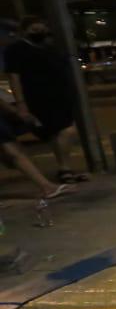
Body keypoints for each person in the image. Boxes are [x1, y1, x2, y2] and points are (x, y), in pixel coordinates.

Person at [4, 17, 85, 184]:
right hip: (38, 98)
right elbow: (14, 76)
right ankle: (64, 168)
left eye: (42, 29)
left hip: (60, 97)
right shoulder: (16, 50)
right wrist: (21, 103)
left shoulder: (49, 49)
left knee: (59, 132)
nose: (39, 33)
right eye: (34, 29)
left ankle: (65, 168)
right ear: (24, 31)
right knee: (66, 130)